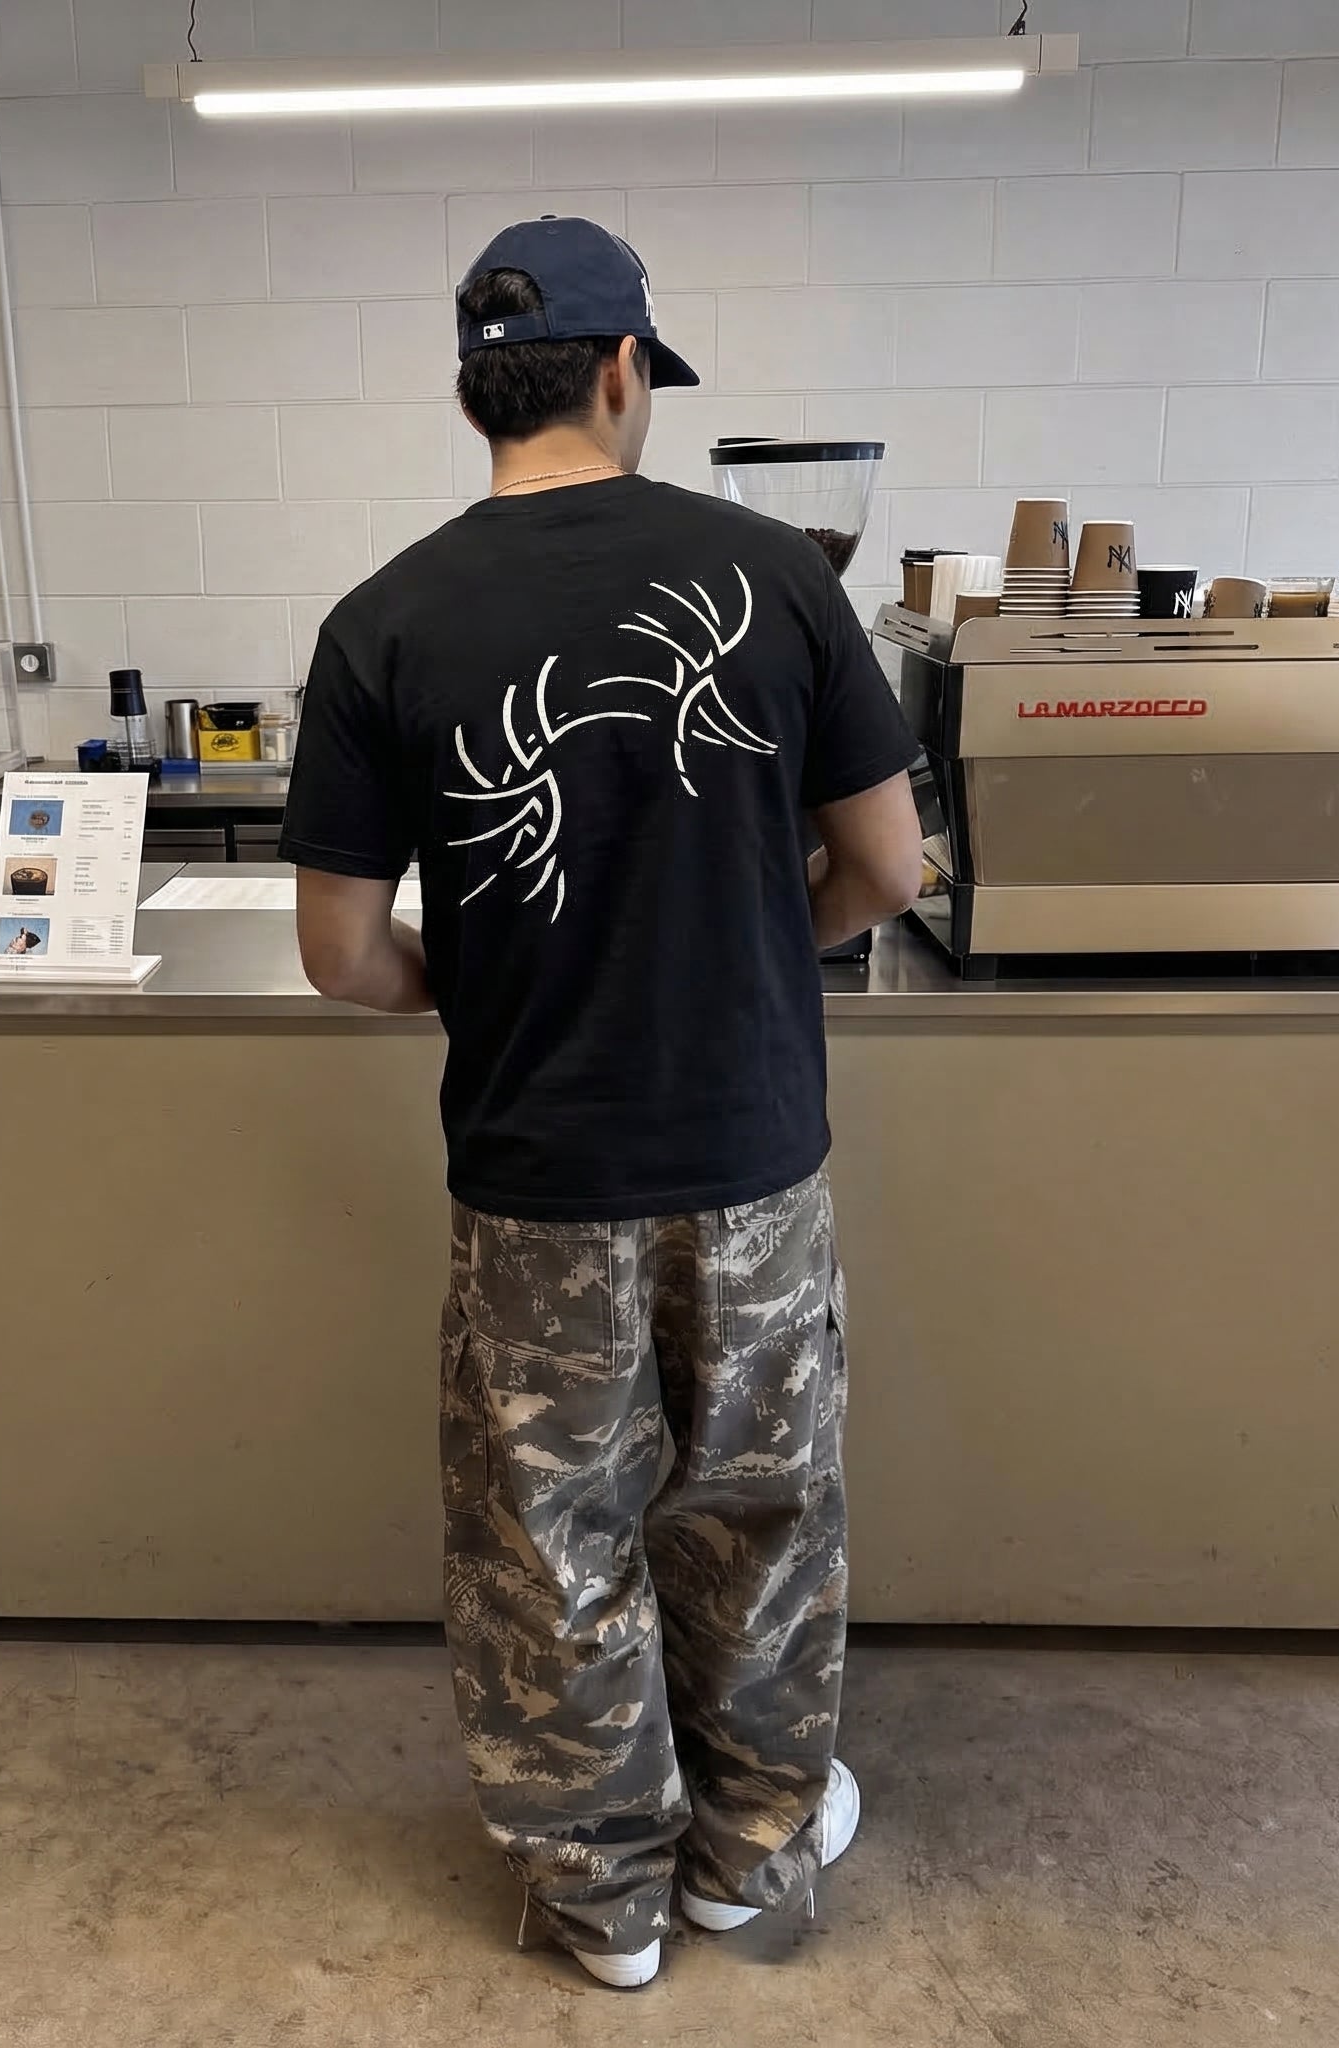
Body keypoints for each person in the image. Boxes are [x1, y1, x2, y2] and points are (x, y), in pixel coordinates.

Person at [279, 216, 925, 1990]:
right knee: (758, 1515)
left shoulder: (382, 620)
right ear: (627, 371)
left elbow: (340, 954)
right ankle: (749, 1855)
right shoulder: (777, 574)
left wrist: (489, 987)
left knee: (547, 1539)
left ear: (473, 394)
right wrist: (764, 945)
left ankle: (602, 1901)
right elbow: (890, 866)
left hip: (535, 1175)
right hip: (751, 1161)